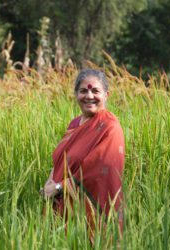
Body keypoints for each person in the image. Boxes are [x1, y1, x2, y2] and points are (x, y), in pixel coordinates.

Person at [41, 69, 125, 240]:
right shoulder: (74, 124)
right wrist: (49, 182)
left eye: (95, 91)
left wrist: (58, 188)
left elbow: (99, 170)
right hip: (60, 207)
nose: (89, 96)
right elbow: (62, 159)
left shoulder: (109, 126)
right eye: (83, 91)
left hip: (89, 213)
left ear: (106, 94)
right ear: (76, 94)